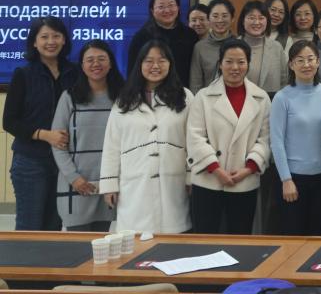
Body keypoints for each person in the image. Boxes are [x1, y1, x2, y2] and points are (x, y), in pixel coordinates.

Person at [99, 39, 194, 234]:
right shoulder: (124, 99)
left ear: (170, 64)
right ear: (139, 64)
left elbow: (193, 141)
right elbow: (112, 144)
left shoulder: (185, 97)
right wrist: (109, 184)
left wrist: (191, 176)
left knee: (172, 237)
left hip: (173, 182)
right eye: (149, 61)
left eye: (162, 60)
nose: (155, 66)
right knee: (135, 239)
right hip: (134, 182)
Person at [186, 38, 272, 234]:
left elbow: (265, 139)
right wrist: (216, 169)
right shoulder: (203, 96)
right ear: (220, 64)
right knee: (205, 238)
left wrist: (248, 169)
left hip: (244, 181)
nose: (235, 67)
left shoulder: (261, 98)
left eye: (241, 62)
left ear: (248, 64)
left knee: (239, 240)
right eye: (229, 61)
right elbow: (195, 137)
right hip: (208, 180)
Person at [3, 16, 78, 230]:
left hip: (64, 161)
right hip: (30, 161)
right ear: (34, 42)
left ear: (64, 39)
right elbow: (9, 121)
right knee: (30, 227)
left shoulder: (75, 73)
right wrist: (45, 135)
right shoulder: (23, 74)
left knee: (54, 228)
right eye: (44, 37)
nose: (50, 41)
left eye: (56, 36)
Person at [52, 40, 123, 231]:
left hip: (109, 184)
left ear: (111, 63)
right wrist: (73, 178)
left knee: (102, 243)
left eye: (101, 59)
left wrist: (114, 180)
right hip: (76, 184)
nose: (96, 64)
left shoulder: (123, 97)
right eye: (90, 60)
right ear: (82, 65)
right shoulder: (69, 97)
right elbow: (58, 144)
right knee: (78, 244)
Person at [270, 40, 321, 235]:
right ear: (291, 65)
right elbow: (276, 142)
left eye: (310, 59)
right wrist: (286, 179)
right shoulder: (282, 97)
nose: (306, 65)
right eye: (300, 60)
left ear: (318, 62)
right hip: (293, 178)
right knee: (294, 234)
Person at [126, 0, 197, 87]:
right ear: (152, 10)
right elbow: (133, 73)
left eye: (171, 5)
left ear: (178, 7)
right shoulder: (141, 37)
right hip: (150, 92)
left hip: (183, 92)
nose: (167, 10)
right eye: (161, 7)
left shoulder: (190, 35)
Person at [236, 0, 290, 94]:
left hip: (270, 101)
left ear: (267, 21)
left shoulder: (276, 48)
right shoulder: (232, 47)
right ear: (243, 21)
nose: (257, 22)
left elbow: (284, 81)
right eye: (251, 18)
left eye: (261, 18)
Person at [190, 0, 235, 93]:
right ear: (208, 19)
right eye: (215, 16)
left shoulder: (240, 45)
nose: (220, 20)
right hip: (207, 99)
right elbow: (195, 82)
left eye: (224, 16)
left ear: (232, 19)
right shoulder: (200, 47)